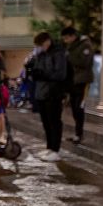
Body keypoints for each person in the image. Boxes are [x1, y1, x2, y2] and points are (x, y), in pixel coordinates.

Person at [27, 31, 67, 161]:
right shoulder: (42, 54)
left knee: (54, 122)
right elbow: (37, 70)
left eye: (40, 44)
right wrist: (32, 70)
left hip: (53, 93)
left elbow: (60, 74)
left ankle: (55, 149)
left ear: (47, 41)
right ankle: (49, 148)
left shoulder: (58, 53)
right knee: (46, 122)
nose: (39, 47)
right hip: (41, 93)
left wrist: (43, 74)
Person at [61, 26, 94, 144]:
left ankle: (79, 134)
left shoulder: (85, 45)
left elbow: (84, 62)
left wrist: (69, 57)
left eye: (66, 38)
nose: (65, 41)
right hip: (73, 81)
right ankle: (77, 133)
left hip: (82, 80)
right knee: (74, 108)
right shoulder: (71, 47)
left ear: (73, 36)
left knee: (79, 107)